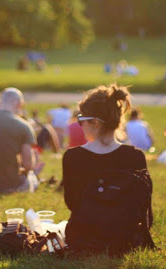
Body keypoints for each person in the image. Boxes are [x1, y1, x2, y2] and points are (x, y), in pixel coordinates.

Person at [62, 84, 154, 256]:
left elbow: (72, 202)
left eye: (82, 119)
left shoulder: (72, 157)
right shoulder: (136, 156)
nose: (80, 124)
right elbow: (141, 205)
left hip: (84, 235)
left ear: (95, 123)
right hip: (126, 237)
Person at [0, 87, 38, 193]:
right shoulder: (24, 126)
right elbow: (28, 165)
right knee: (32, 179)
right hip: (11, 184)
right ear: (19, 104)